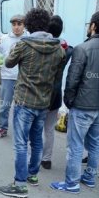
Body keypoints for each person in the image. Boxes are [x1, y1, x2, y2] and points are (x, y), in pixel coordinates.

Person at [0, 8, 66, 198]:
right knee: (36, 140)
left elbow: (8, 63)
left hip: (24, 101)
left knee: (21, 143)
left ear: (28, 25)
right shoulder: (59, 49)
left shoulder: (24, 45)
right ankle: (33, 176)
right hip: (43, 103)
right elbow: (57, 77)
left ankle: (20, 185)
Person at [51, 11, 99, 193]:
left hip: (82, 105)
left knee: (75, 145)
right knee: (95, 142)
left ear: (94, 26)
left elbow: (73, 79)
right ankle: (90, 178)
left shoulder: (83, 49)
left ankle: (72, 183)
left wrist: (68, 101)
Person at [39, 15, 73, 169]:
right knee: (49, 129)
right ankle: (46, 159)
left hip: (39, 92)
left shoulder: (42, 46)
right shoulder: (66, 49)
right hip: (56, 94)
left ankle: (34, 157)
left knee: (36, 128)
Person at [0, 14, 26, 140]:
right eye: (14, 24)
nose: (16, 27)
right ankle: (2, 128)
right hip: (7, 77)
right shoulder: (3, 39)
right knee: (5, 105)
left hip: (23, 78)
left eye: (19, 24)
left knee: (22, 107)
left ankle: (21, 131)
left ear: (24, 25)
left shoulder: (28, 39)